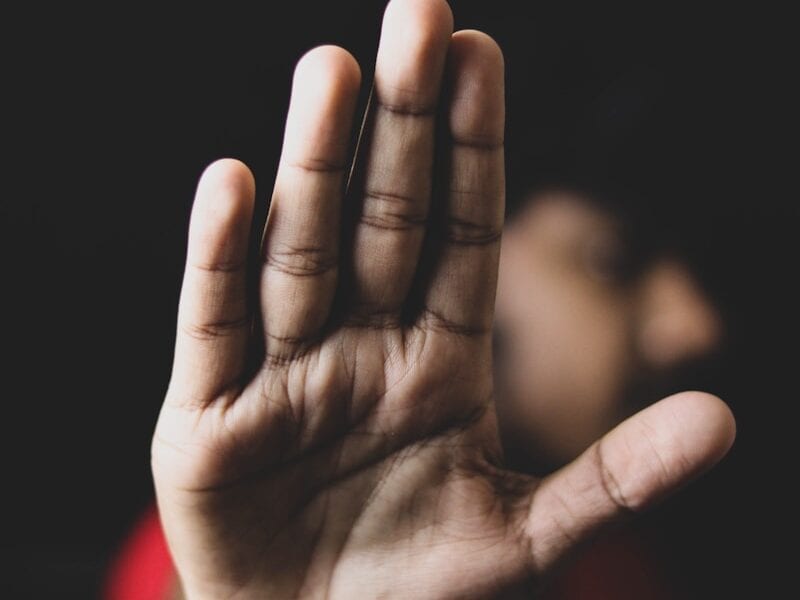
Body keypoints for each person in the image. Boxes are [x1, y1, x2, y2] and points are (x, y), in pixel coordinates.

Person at [108, 0, 736, 597]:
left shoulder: (615, 563)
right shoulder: (231, 542)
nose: (697, 325)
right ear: (453, 251)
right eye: (614, 262)